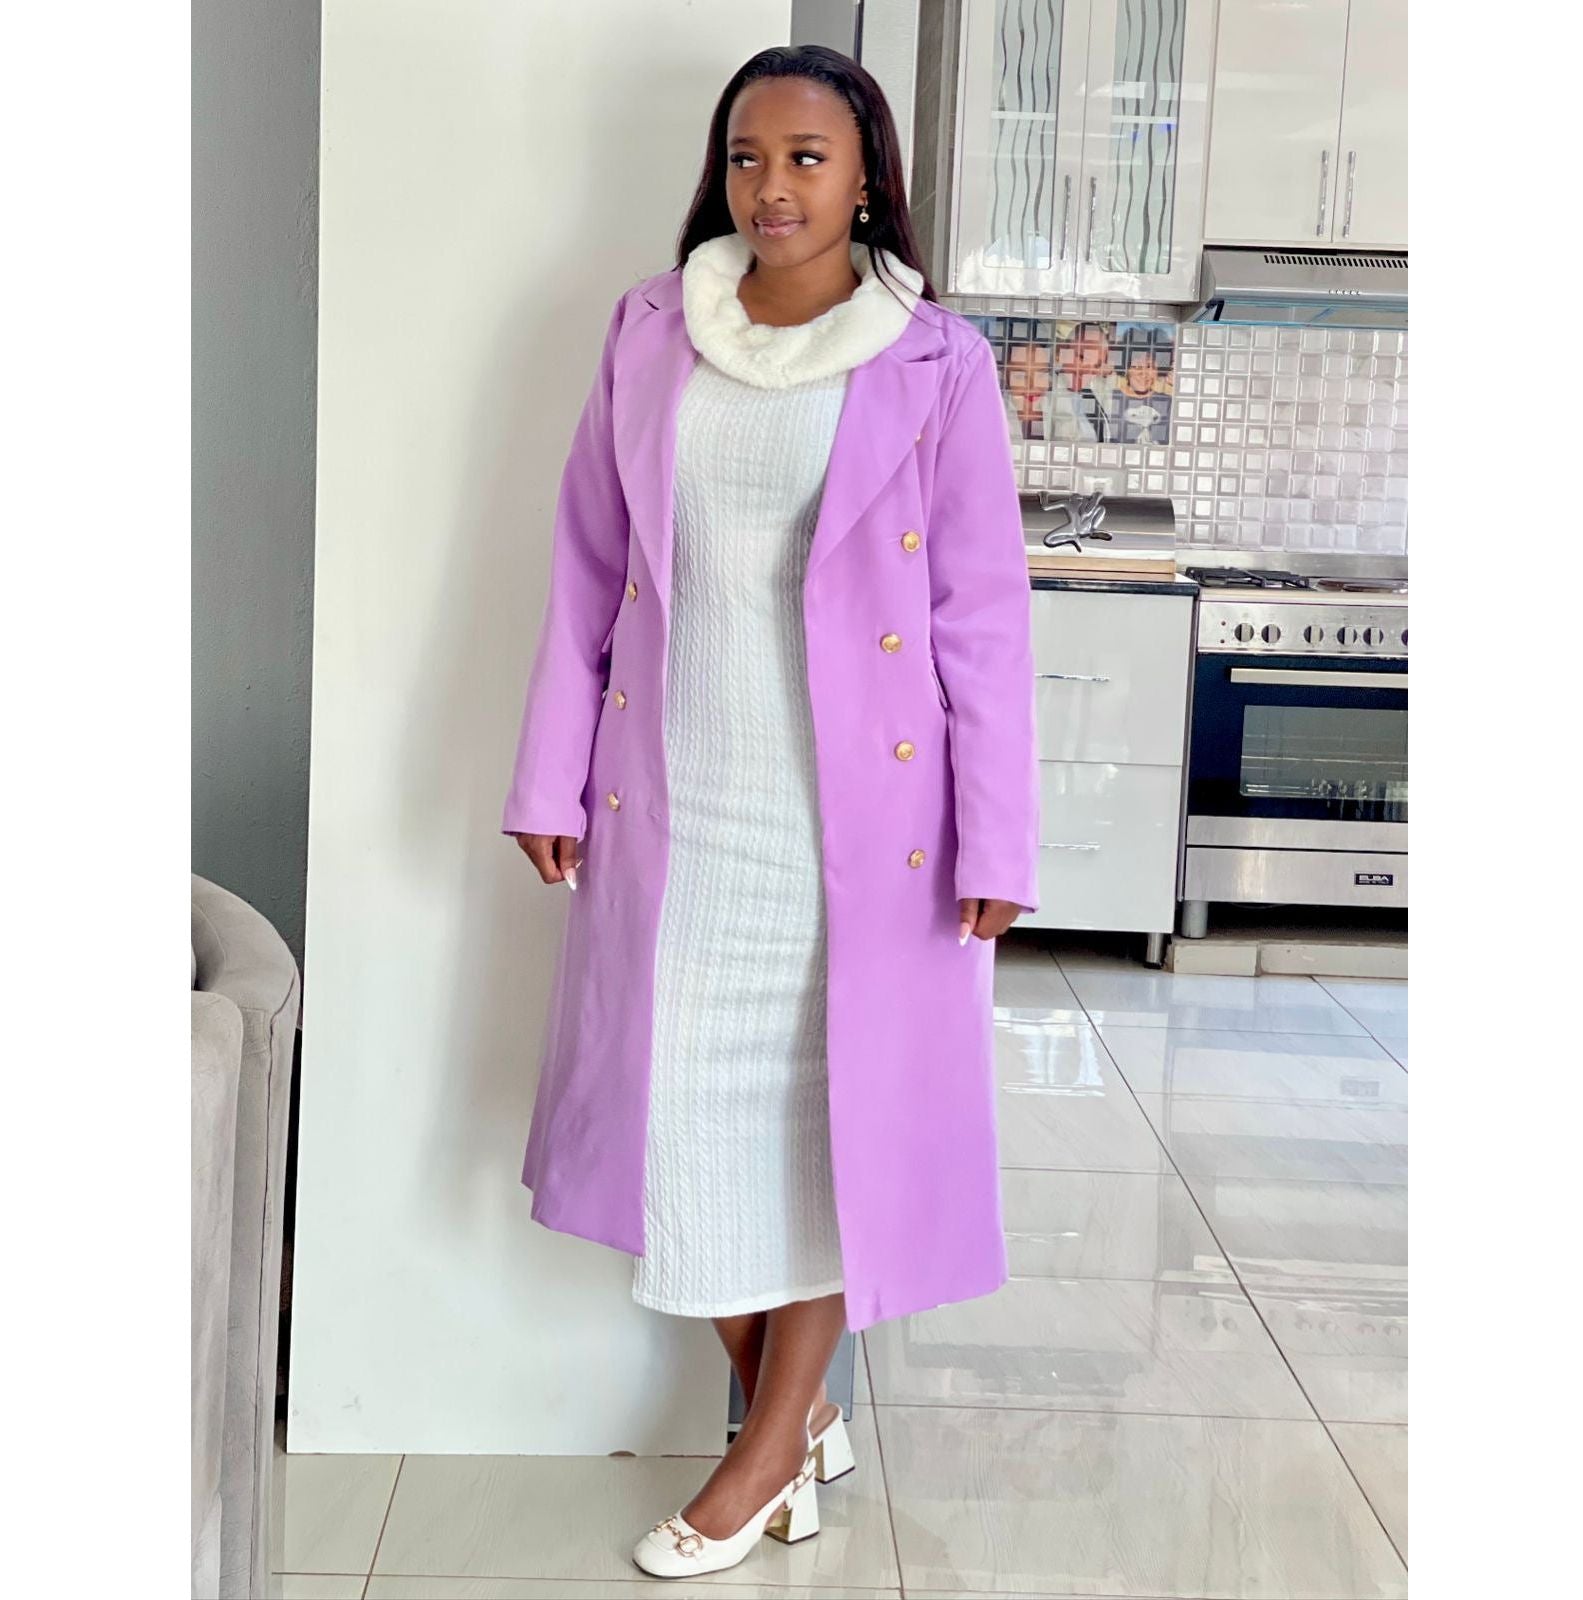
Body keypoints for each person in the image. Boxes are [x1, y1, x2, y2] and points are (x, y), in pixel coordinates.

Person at [499, 43, 1038, 1579]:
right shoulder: (654, 329)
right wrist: (549, 770)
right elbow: (588, 565)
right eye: (748, 156)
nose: (772, 186)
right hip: (675, 800)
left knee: (829, 1134)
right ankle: (797, 1414)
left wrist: (997, 834)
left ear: (866, 176)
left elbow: (981, 615)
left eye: (807, 157)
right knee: (679, 1123)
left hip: (864, 829)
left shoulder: (932, 361)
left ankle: (762, 1454)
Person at [1044, 319, 1117, 441]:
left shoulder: (1094, 395)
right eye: (1082, 357)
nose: (1088, 370)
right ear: (1062, 350)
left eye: (1096, 365)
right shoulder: (1045, 393)